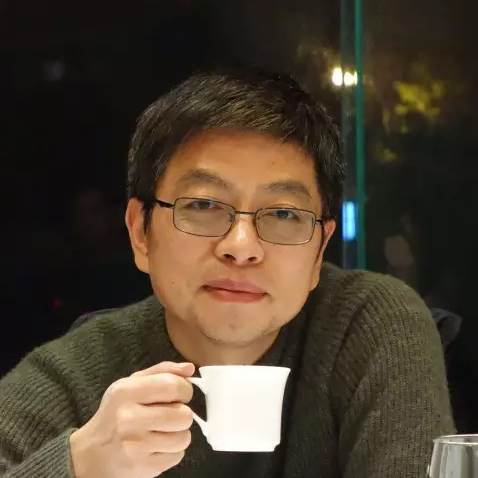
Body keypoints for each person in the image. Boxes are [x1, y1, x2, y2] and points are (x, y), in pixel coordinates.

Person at [0, 68, 454, 478]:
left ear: (320, 250)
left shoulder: (367, 327)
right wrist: (80, 465)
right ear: (140, 232)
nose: (241, 247)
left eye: (283, 213)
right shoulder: (75, 375)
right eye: (203, 205)